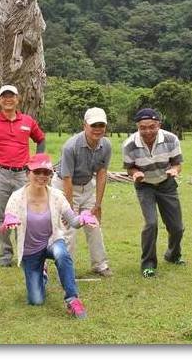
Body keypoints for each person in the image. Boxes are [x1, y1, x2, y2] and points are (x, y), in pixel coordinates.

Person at [1, 153, 98, 319]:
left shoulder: (56, 196)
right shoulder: (17, 197)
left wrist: (83, 218)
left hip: (51, 241)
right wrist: (9, 219)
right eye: (37, 172)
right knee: (36, 300)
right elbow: (9, 217)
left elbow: (73, 222)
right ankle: (42, 273)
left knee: (62, 253)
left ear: (50, 175)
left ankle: (72, 299)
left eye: (46, 173)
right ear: (27, 174)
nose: (41, 176)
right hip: (30, 250)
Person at [0, 84, 45, 267]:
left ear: (18, 99)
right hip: (1, 174)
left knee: (24, 213)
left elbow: (40, 139)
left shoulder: (27, 121)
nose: (8, 99)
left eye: (11, 96)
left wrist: (35, 162)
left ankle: (24, 252)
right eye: (4, 96)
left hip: (22, 175)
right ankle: (5, 254)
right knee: (2, 216)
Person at [122, 108, 185, 278]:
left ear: (159, 125)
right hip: (144, 185)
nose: (147, 131)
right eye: (143, 127)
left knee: (177, 227)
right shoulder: (129, 144)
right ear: (137, 126)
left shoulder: (171, 139)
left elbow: (177, 163)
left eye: (152, 126)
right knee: (151, 224)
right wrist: (135, 173)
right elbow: (130, 167)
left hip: (167, 184)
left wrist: (174, 170)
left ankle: (173, 255)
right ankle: (148, 263)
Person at [51, 107, 112, 277]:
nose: (98, 129)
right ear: (85, 125)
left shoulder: (105, 145)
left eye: (101, 125)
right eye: (94, 125)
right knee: (68, 228)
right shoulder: (71, 146)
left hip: (87, 186)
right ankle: (66, 269)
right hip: (64, 186)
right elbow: (67, 178)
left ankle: (100, 264)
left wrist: (98, 204)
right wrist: (69, 209)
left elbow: (101, 173)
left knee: (94, 225)